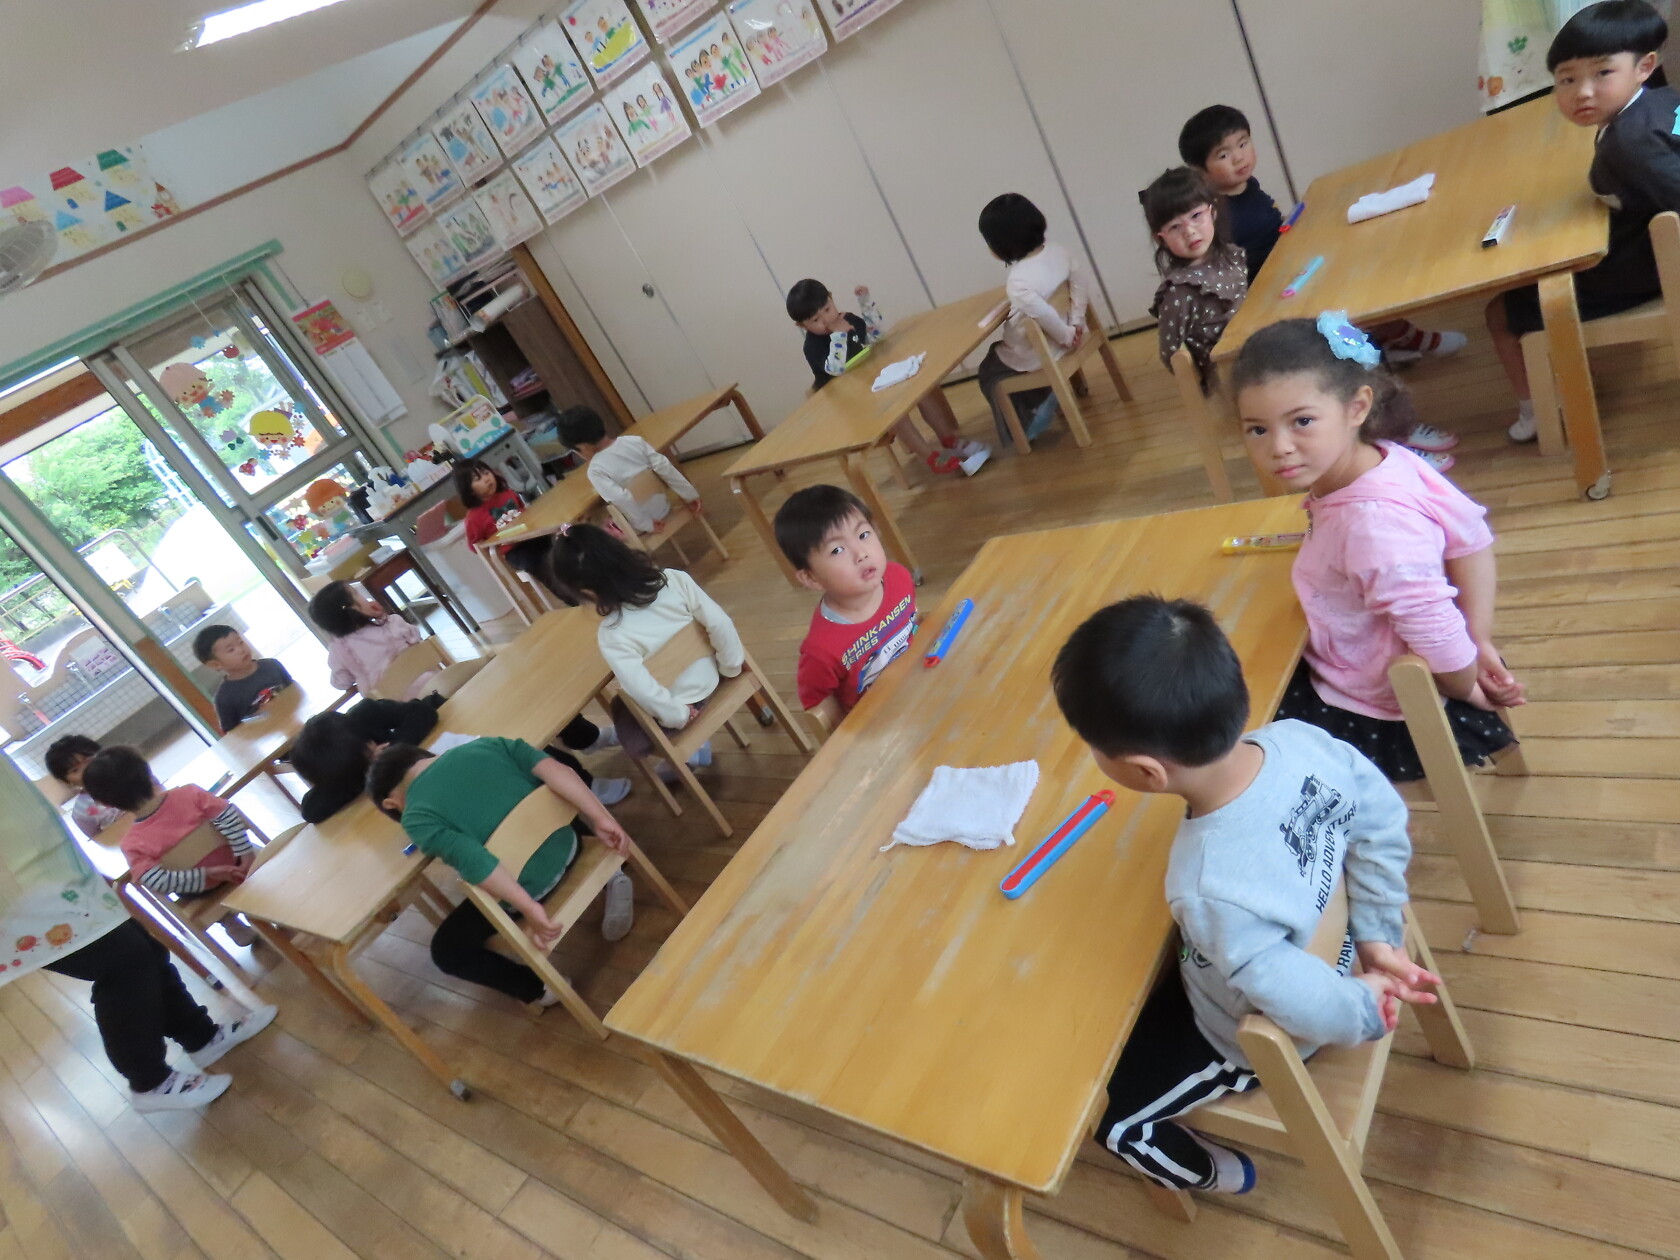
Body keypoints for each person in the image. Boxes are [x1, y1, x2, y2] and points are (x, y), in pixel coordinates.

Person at [1051, 595, 1440, 1194]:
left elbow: (1301, 1003)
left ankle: (1214, 1174)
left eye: (1095, 748)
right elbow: (1383, 822)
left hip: (1251, 1034)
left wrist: (1361, 1009)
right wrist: (1377, 935)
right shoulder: (1303, 739)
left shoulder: (1204, 885)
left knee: (1112, 1118)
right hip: (1341, 953)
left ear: (1147, 772)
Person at [1231, 315, 1526, 781]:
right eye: (1257, 430)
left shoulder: (1372, 526)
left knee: (1236, 719)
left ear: (1357, 407)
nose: (1279, 447)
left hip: (1381, 708)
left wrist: (1470, 688)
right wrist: (1479, 635)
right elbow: (1471, 537)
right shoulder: (1384, 457)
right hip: (1416, 662)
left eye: (1302, 422)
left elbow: (1436, 636)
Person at [2, 755, 277, 1112]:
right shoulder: (182, 800)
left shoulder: (138, 834)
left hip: (50, 875)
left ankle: (201, 1035)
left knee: (143, 949)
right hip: (22, 898)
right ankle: (149, 1080)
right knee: (123, 962)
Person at [1143, 166, 1459, 469]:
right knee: (1340, 370)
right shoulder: (1179, 292)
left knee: (1354, 340)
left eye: (1195, 216)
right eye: (1175, 227)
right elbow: (1173, 357)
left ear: (1212, 211)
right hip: (1245, 368)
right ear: (1161, 238)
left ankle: (1394, 429)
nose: (1190, 231)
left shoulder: (1224, 254)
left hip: (1264, 343)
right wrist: (1214, 370)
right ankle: (1389, 448)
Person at [1487, 0, 1680, 441]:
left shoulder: (1628, 145)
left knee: (1501, 311)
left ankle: (1540, 415)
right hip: (1645, 250)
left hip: (1648, 269)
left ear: (1644, 66)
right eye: (1567, 79)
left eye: (1602, 73)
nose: (1583, 92)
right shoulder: (1663, 101)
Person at [1177, 103, 1469, 365]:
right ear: (1201, 171)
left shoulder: (1248, 186)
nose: (1239, 157)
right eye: (1224, 154)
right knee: (1352, 295)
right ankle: (1402, 342)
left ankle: (1384, 344)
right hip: (1272, 294)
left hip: (1290, 271)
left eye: (1243, 143)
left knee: (1359, 269)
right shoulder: (1214, 214)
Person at [366, 737, 638, 1007]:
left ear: (391, 804)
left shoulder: (415, 817)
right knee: (537, 802)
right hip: (569, 844)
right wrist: (601, 818)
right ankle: (612, 873)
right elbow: (558, 771)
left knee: (447, 950)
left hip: (532, 890)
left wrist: (529, 908)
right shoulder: (487, 745)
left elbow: (475, 861)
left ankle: (542, 990)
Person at [548, 523, 739, 768]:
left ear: (586, 592)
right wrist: (730, 667)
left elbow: (645, 692)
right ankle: (693, 749)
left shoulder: (612, 634)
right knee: (635, 702)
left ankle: (688, 755)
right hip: (714, 674)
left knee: (624, 713)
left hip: (684, 705)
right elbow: (720, 623)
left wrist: (680, 716)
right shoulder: (674, 579)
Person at [784, 278, 992, 476]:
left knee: (921, 389)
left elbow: (875, 337)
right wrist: (838, 335)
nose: (826, 320)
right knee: (896, 413)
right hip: (851, 402)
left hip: (872, 383)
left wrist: (866, 304)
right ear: (802, 326)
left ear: (832, 298)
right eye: (815, 320)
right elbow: (836, 368)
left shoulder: (848, 319)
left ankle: (948, 439)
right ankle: (930, 458)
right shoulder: (812, 346)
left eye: (827, 310)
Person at [772, 485, 916, 729]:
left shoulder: (899, 577)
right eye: (837, 550)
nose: (861, 553)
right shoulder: (821, 650)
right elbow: (821, 710)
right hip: (882, 726)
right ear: (811, 578)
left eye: (863, 535)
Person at [972, 192, 1090, 445]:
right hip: (1068, 335)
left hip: (1045, 350)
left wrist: (1066, 337)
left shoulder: (1018, 281)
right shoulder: (1059, 251)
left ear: (1001, 245)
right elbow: (1079, 286)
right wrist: (1076, 324)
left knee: (990, 372)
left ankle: (1029, 423)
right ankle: (1047, 396)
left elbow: (1044, 315)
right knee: (1002, 356)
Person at [80, 746, 257, 901]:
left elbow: (158, 882)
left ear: (106, 803)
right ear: (149, 774)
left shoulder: (132, 844)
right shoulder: (190, 793)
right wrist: (246, 857)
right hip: (239, 861)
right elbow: (229, 816)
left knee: (174, 884)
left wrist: (209, 874)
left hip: (202, 890)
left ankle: (229, 921)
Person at [555, 404, 702, 536]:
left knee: (601, 525)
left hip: (642, 523)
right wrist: (689, 495)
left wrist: (646, 524)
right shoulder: (634, 441)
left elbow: (621, 498)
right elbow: (664, 467)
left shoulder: (595, 470)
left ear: (583, 447)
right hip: (663, 506)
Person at [289, 699, 444, 823]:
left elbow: (422, 712)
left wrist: (391, 752)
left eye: (369, 754)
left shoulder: (366, 713)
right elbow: (310, 812)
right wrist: (370, 773)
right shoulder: (333, 772)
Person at [309, 581, 429, 698]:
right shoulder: (391, 623)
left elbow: (341, 682)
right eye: (357, 593)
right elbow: (415, 637)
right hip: (428, 683)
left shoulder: (339, 649)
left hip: (393, 704)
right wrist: (383, 617)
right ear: (352, 609)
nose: (365, 597)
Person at [193, 625, 293, 734]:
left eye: (240, 642)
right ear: (216, 664)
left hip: (293, 720)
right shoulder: (224, 698)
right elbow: (233, 733)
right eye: (231, 650)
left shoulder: (272, 665)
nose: (241, 650)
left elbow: (294, 690)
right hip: (265, 736)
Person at [44, 734, 122, 838]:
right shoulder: (81, 812)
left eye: (89, 760)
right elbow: (99, 840)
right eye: (75, 770)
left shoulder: (129, 773)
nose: (86, 769)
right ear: (66, 781)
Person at [456, 458, 527, 551]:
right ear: (469, 490)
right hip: (511, 551)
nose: (486, 479)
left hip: (530, 535)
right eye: (478, 479)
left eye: (486, 473)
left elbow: (524, 511)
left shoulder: (508, 493)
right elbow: (476, 547)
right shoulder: (473, 519)